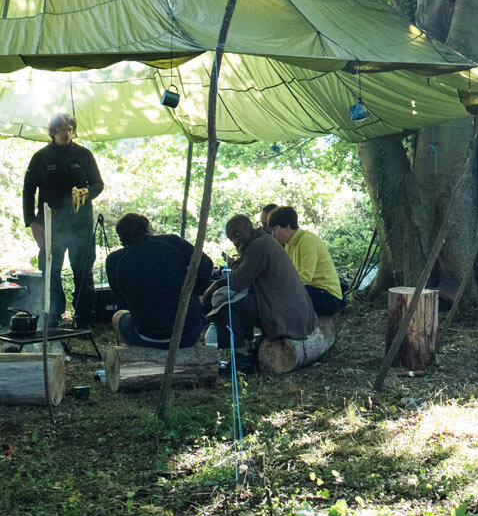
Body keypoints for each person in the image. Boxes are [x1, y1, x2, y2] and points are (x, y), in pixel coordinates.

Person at [21, 113, 104, 328]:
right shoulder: (41, 157)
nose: (66, 134)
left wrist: (88, 192)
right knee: (50, 269)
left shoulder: (84, 155)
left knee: (83, 269)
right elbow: (28, 191)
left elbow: (98, 184)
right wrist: (31, 221)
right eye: (61, 130)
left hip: (80, 224)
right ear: (53, 132)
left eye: (69, 129)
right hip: (51, 222)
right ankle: (54, 313)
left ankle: (85, 316)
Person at [204, 214, 316, 370]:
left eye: (238, 235)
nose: (236, 241)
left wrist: (235, 263)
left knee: (226, 308)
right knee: (240, 302)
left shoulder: (259, 246)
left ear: (249, 228)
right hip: (296, 315)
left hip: (287, 318)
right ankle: (249, 349)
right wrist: (217, 284)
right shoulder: (263, 242)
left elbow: (237, 282)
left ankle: (241, 359)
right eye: (232, 239)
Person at [105, 213, 213, 348]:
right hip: (189, 332)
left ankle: (141, 357)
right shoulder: (174, 242)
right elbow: (206, 265)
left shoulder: (114, 260)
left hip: (148, 335)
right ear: (148, 229)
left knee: (118, 316)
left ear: (121, 237)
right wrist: (196, 293)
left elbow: (120, 297)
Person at [267, 206, 344, 317]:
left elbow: (306, 277)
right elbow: (289, 273)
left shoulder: (307, 241)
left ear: (287, 227)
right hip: (312, 291)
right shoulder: (289, 245)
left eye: (275, 230)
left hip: (328, 297)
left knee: (285, 297)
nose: (273, 235)